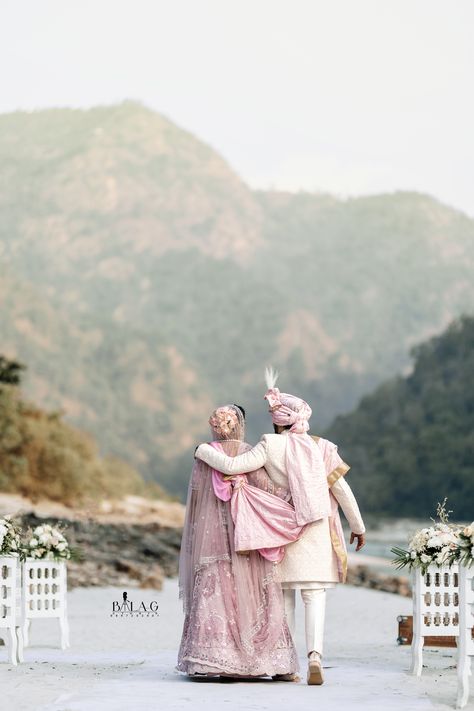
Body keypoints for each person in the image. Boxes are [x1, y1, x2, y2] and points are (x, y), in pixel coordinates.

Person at [195, 370, 366, 686]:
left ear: (277, 421)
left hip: (281, 530)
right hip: (316, 531)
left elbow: (232, 467)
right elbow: (341, 489)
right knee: (314, 596)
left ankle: (287, 662)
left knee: (283, 599)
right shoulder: (321, 447)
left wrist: (204, 450)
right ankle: (315, 655)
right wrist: (358, 526)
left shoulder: (269, 444)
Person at [176, 403, 300, 681]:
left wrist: (196, 534)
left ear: (215, 426)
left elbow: (196, 498)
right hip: (246, 538)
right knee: (255, 592)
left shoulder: (204, 456)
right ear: (239, 425)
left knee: (217, 590)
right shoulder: (248, 453)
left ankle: (215, 659)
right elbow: (268, 488)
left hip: (213, 541)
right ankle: (267, 660)